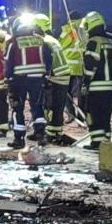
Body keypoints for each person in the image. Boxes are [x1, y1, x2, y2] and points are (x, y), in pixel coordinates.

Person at [5, 15, 53, 149]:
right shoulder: (40, 40)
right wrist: (46, 75)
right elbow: (49, 58)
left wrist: (7, 78)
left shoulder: (13, 43)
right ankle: (41, 135)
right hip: (37, 78)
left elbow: (8, 63)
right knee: (37, 106)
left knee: (17, 108)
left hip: (18, 80)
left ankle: (19, 139)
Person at [33, 14, 72, 145]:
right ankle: (56, 132)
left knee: (50, 106)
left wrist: (45, 78)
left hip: (55, 77)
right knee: (58, 106)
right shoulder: (51, 39)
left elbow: (47, 61)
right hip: (63, 75)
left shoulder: (44, 41)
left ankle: (51, 134)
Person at [81, 11, 112, 150]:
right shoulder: (109, 41)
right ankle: (106, 143)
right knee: (105, 115)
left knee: (93, 113)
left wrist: (85, 83)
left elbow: (90, 64)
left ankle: (96, 142)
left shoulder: (93, 42)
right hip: (110, 86)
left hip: (96, 85)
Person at [59, 11, 88, 122]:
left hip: (69, 65)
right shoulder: (84, 29)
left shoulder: (68, 30)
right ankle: (82, 115)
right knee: (82, 92)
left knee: (65, 91)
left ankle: (71, 113)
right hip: (82, 64)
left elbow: (61, 44)